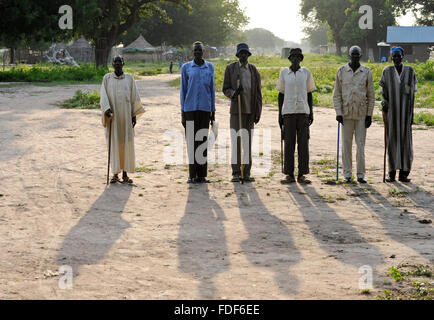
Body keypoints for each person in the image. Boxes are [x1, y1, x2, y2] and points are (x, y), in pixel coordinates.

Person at [333, 46, 375, 184]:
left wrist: (369, 115)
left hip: (361, 114)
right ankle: (347, 174)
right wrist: (338, 113)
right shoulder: (341, 71)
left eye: (358, 55)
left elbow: (371, 95)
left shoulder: (366, 72)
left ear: (360, 56)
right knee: (346, 145)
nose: (355, 57)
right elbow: (337, 94)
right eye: (353, 55)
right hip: (346, 114)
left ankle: (361, 174)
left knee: (360, 145)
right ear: (349, 55)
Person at [100, 56, 144, 184]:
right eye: (115, 61)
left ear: (124, 63)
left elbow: (134, 96)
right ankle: (115, 174)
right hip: (113, 118)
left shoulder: (129, 78)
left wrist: (134, 114)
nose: (118, 63)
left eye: (120, 61)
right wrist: (106, 109)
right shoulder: (107, 78)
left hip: (126, 117)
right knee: (114, 144)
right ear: (112, 64)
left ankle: (125, 174)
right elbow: (103, 95)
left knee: (126, 143)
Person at [222, 43, 262, 182]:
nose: (243, 55)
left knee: (247, 142)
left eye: (246, 53)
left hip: (250, 112)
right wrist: (234, 93)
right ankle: (236, 172)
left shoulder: (253, 70)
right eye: (241, 53)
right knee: (236, 141)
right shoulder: (231, 68)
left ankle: (247, 172)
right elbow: (225, 88)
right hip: (236, 111)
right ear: (238, 55)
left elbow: (258, 93)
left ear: (248, 55)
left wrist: (258, 112)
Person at [276, 48, 315, 184]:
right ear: (290, 58)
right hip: (288, 112)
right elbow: (281, 95)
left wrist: (311, 112)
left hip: (303, 112)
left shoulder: (306, 73)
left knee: (303, 144)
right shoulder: (284, 73)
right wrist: (279, 115)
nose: (295, 59)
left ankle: (302, 174)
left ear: (301, 59)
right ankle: (289, 174)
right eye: (293, 57)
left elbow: (309, 93)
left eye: (298, 57)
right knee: (289, 144)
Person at [379, 46, 418, 183]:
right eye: (394, 56)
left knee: (406, 143)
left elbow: (413, 93)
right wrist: (384, 104)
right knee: (392, 141)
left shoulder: (410, 71)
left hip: (406, 114)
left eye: (398, 56)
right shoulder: (387, 71)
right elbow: (384, 93)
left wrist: (411, 115)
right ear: (391, 57)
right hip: (392, 114)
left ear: (402, 57)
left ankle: (404, 173)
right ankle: (391, 174)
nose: (396, 58)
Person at [180, 41, 215, 184]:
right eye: (195, 50)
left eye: (199, 50)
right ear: (192, 52)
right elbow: (183, 90)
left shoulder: (209, 67)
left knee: (202, 142)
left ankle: (202, 175)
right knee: (191, 142)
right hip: (189, 109)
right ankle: (192, 175)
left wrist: (213, 111)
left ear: (203, 51)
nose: (197, 53)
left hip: (205, 109)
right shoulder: (186, 68)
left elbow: (212, 90)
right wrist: (182, 112)